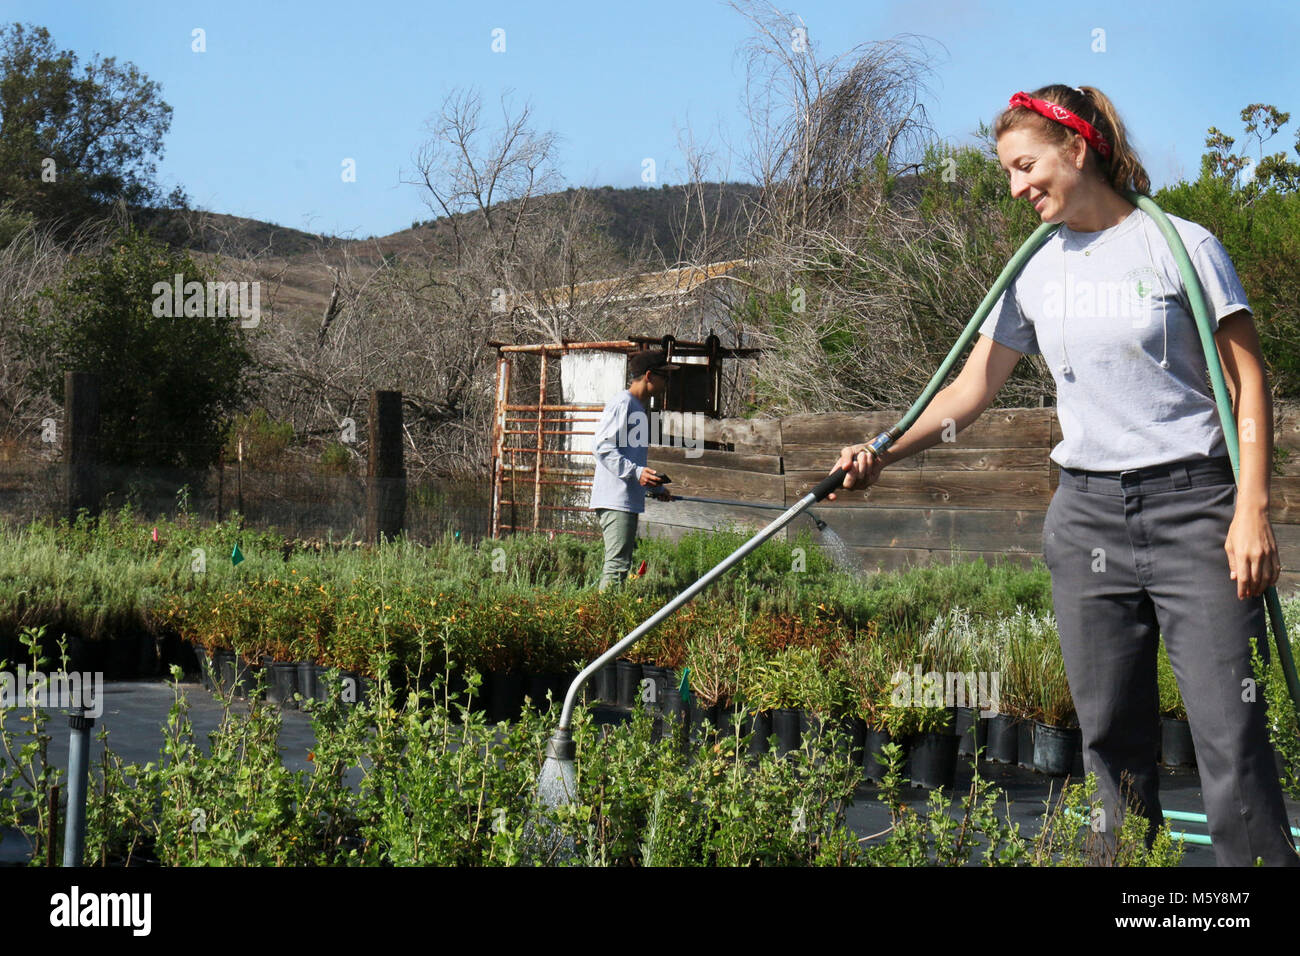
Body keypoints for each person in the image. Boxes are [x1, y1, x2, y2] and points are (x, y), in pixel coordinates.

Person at [831, 84, 1298, 866]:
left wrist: (1252, 508)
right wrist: (882, 451)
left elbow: (1250, 383)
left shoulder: (1181, 244)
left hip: (1198, 511)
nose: (1015, 187)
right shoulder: (1034, 271)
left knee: (1230, 735)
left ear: (1077, 150)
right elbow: (968, 391)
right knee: (1110, 740)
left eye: (1024, 166)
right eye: (1008, 172)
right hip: (1086, 518)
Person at [590, 349, 677, 590]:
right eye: (664, 377)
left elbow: (630, 457)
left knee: (620, 565)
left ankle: (604, 619)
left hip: (624, 499)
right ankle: (598, 622)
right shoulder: (623, 403)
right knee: (617, 567)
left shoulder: (638, 408)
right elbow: (601, 447)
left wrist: (654, 486)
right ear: (649, 375)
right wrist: (637, 473)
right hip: (615, 500)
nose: (667, 383)